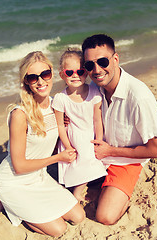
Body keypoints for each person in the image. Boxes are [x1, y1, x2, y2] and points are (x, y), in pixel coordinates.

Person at [0, 51, 85, 237]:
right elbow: (18, 166)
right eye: (33, 77)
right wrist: (58, 158)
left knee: (79, 216)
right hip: (13, 182)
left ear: (52, 74)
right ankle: (10, 205)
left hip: (38, 178)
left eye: (45, 74)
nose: (41, 81)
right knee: (59, 229)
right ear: (26, 81)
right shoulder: (20, 114)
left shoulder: (56, 104)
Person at [82, 34, 157, 225]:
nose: (97, 70)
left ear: (116, 59)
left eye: (102, 61)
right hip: (99, 157)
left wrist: (110, 151)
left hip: (127, 161)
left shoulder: (138, 96)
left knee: (105, 217)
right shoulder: (95, 89)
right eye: (89, 65)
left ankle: (125, 190)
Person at [52, 48, 107, 201]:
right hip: (73, 138)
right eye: (70, 72)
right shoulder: (60, 99)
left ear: (86, 72)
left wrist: (99, 139)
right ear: (62, 74)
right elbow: (60, 126)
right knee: (81, 163)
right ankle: (77, 192)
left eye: (80, 71)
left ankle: (90, 183)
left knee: (92, 162)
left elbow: (97, 120)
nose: (75, 75)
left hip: (90, 136)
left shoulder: (94, 92)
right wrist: (67, 146)